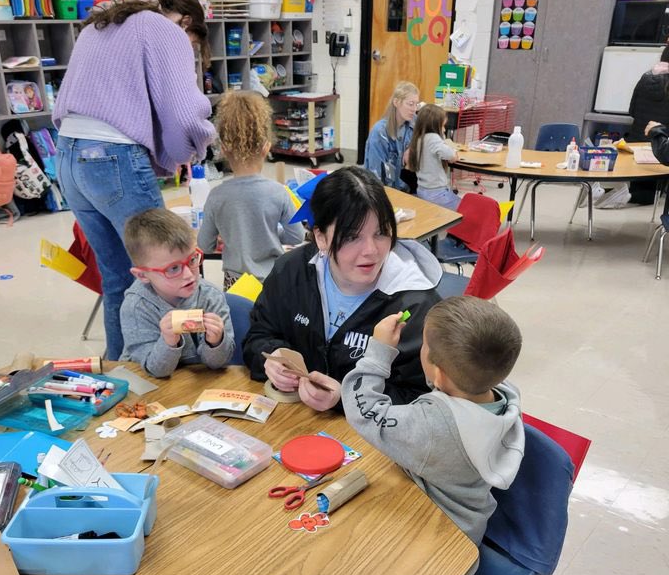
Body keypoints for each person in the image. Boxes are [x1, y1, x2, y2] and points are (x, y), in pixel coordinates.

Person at [54, 0, 216, 360]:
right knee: (174, 270)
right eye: (191, 45)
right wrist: (199, 145)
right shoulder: (164, 30)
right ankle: (186, 370)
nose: (187, 51)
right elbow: (184, 112)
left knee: (119, 279)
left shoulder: (104, 23)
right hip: (112, 157)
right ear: (187, 24)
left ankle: (120, 369)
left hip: (68, 155)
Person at [242, 165, 444, 412]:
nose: (371, 250)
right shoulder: (291, 271)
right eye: (352, 237)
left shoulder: (416, 305)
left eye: (381, 233)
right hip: (296, 422)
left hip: (372, 442)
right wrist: (272, 357)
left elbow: (426, 401)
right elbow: (257, 336)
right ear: (321, 238)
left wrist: (346, 398)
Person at [341, 295, 524, 544]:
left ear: (439, 374)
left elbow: (364, 411)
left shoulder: (431, 427)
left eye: (424, 345)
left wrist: (378, 351)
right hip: (469, 524)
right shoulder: (504, 394)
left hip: (437, 539)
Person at [198, 91, 305, 289]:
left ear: (223, 148)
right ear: (266, 147)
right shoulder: (278, 192)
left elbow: (204, 245)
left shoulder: (217, 196)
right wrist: (271, 235)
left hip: (235, 283)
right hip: (273, 282)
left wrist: (231, 237)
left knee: (239, 319)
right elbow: (297, 236)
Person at [120, 208, 234, 377]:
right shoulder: (137, 307)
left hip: (197, 386)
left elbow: (220, 363)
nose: (189, 275)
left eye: (193, 259)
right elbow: (155, 371)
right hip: (150, 385)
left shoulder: (210, 296)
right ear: (142, 275)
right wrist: (168, 343)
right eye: (173, 268)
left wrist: (216, 342)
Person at [626, 45, 669, 205]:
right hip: (661, 146)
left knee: (642, 188)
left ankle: (634, 195)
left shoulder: (646, 76)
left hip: (637, 140)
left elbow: (632, 110)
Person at [363, 81, 419, 192]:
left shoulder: (413, 121)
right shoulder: (380, 132)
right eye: (410, 104)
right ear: (396, 102)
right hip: (385, 190)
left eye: (416, 104)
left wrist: (412, 147)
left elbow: (430, 136)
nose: (414, 109)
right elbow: (376, 176)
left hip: (404, 186)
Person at [405, 103, 460, 209]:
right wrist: (454, 151)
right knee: (465, 208)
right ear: (434, 126)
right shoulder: (433, 138)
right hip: (437, 193)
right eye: (443, 126)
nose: (444, 130)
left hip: (422, 190)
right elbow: (452, 156)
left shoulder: (418, 138)